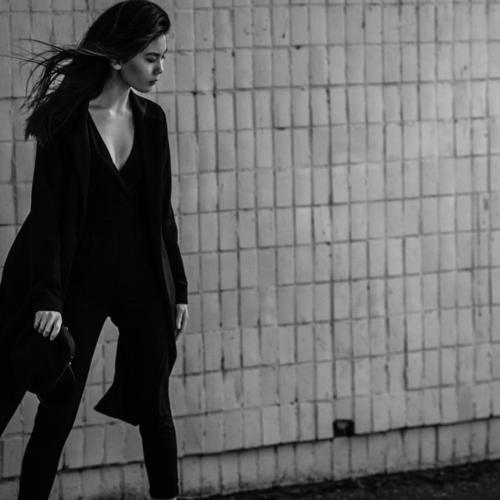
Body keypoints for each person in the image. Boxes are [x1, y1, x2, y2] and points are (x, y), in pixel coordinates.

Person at [0, 1, 188, 499]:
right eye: (151, 58)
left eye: (163, 57)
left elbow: (161, 213)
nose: (160, 69)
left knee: (156, 406)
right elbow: (46, 218)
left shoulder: (152, 120)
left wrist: (179, 288)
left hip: (142, 282)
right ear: (117, 57)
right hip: (80, 283)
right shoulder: (66, 121)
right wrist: (48, 296)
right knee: (58, 412)